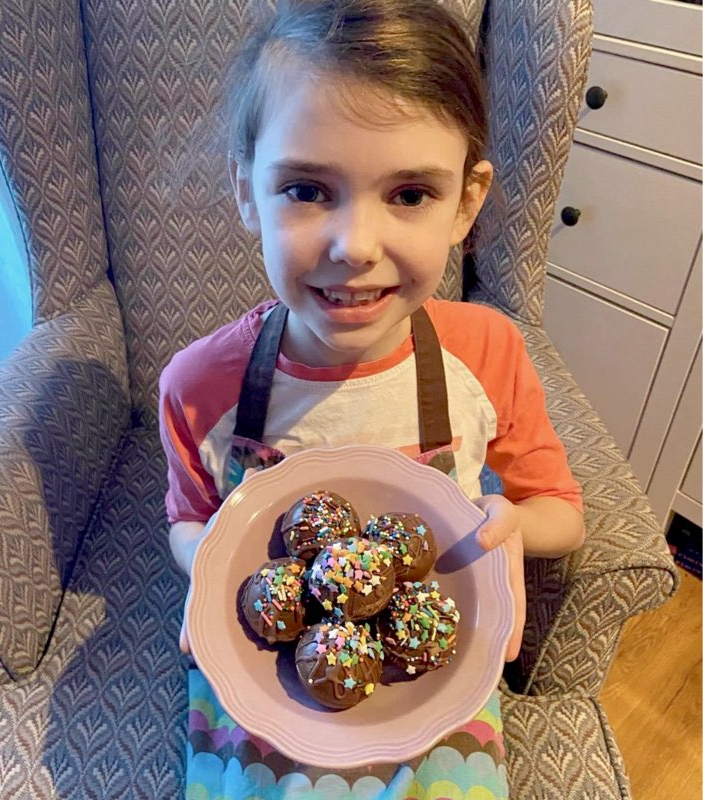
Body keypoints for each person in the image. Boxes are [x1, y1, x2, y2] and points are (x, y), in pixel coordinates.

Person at [159, 0, 586, 796]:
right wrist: (210, 571)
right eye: (307, 189)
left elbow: (562, 509)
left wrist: (514, 527)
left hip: (438, 683)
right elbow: (187, 520)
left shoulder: (486, 355)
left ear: (467, 200)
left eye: (411, 193)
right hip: (261, 673)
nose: (354, 246)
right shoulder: (200, 385)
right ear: (248, 192)